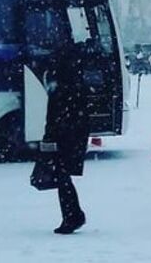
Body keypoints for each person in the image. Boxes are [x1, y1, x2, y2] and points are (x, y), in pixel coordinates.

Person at [42, 38, 90, 234]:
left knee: (62, 173)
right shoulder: (75, 80)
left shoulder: (60, 84)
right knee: (63, 174)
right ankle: (72, 215)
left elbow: (53, 113)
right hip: (75, 131)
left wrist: (49, 135)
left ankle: (73, 216)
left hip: (65, 133)